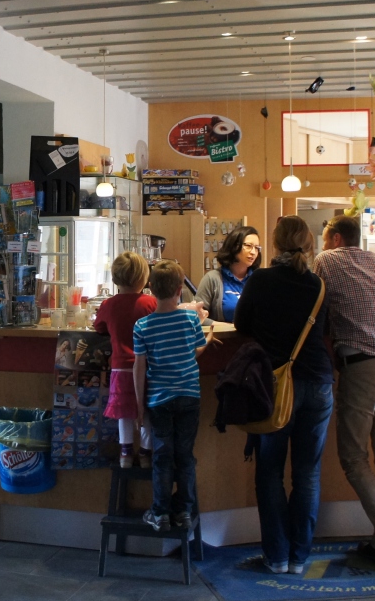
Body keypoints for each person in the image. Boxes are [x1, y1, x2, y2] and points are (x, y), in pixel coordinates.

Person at [233, 216, 333, 575]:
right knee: (307, 474)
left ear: (275, 243)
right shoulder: (317, 284)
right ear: (307, 244)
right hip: (318, 383)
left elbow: (241, 324)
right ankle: (299, 557)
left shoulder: (260, 280)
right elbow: (325, 329)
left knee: (270, 472)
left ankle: (276, 556)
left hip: (275, 386)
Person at [314, 215, 375, 566]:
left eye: (324, 238)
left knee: (353, 456)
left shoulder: (326, 260)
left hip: (363, 363)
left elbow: (316, 306)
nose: (323, 244)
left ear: (335, 239)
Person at [133, 260, 212, 532]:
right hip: (189, 396)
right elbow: (195, 351)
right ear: (180, 290)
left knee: (162, 456)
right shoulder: (190, 320)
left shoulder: (142, 326)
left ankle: (160, 513)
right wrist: (207, 340)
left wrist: (139, 404)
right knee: (185, 455)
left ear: (150, 289)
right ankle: (184, 511)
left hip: (159, 400)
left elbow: (139, 367)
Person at [93, 252, 157, 469]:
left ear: (115, 278)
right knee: (146, 411)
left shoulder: (108, 304)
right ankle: (146, 453)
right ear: (144, 278)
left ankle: (125, 453)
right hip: (148, 368)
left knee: (124, 413)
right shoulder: (151, 303)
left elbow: (99, 327)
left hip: (120, 369)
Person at [195, 225, 262, 322]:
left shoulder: (259, 279)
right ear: (234, 246)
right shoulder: (212, 278)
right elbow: (196, 316)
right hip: (222, 332)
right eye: (248, 246)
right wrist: (225, 327)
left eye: (257, 248)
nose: (253, 252)